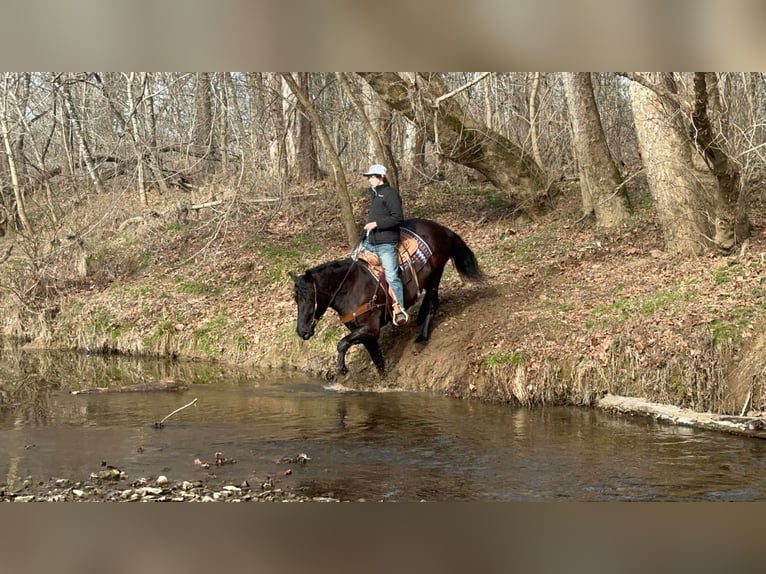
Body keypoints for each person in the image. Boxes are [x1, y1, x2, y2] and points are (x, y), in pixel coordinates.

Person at [361, 164, 408, 326]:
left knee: (391, 276)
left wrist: (376, 224)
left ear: (381, 177)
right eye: (368, 177)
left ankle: (399, 309)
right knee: (355, 264)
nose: (369, 180)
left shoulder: (390, 194)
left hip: (386, 243)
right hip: (371, 242)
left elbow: (398, 218)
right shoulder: (375, 194)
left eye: (372, 177)